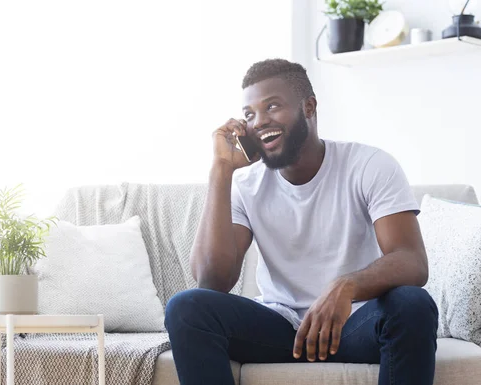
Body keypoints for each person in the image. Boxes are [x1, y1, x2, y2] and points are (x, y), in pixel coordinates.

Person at [164, 59, 438, 385]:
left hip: (354, 323)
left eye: (273, 106)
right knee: (187, 307)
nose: (259, 122)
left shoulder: (370, 165)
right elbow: (212, 281)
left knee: (412, 304)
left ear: (308, 107)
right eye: (249, 114)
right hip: (280, 327)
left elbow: (412, 261)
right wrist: (221, 170)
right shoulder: (246, 185)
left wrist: (345, 286)